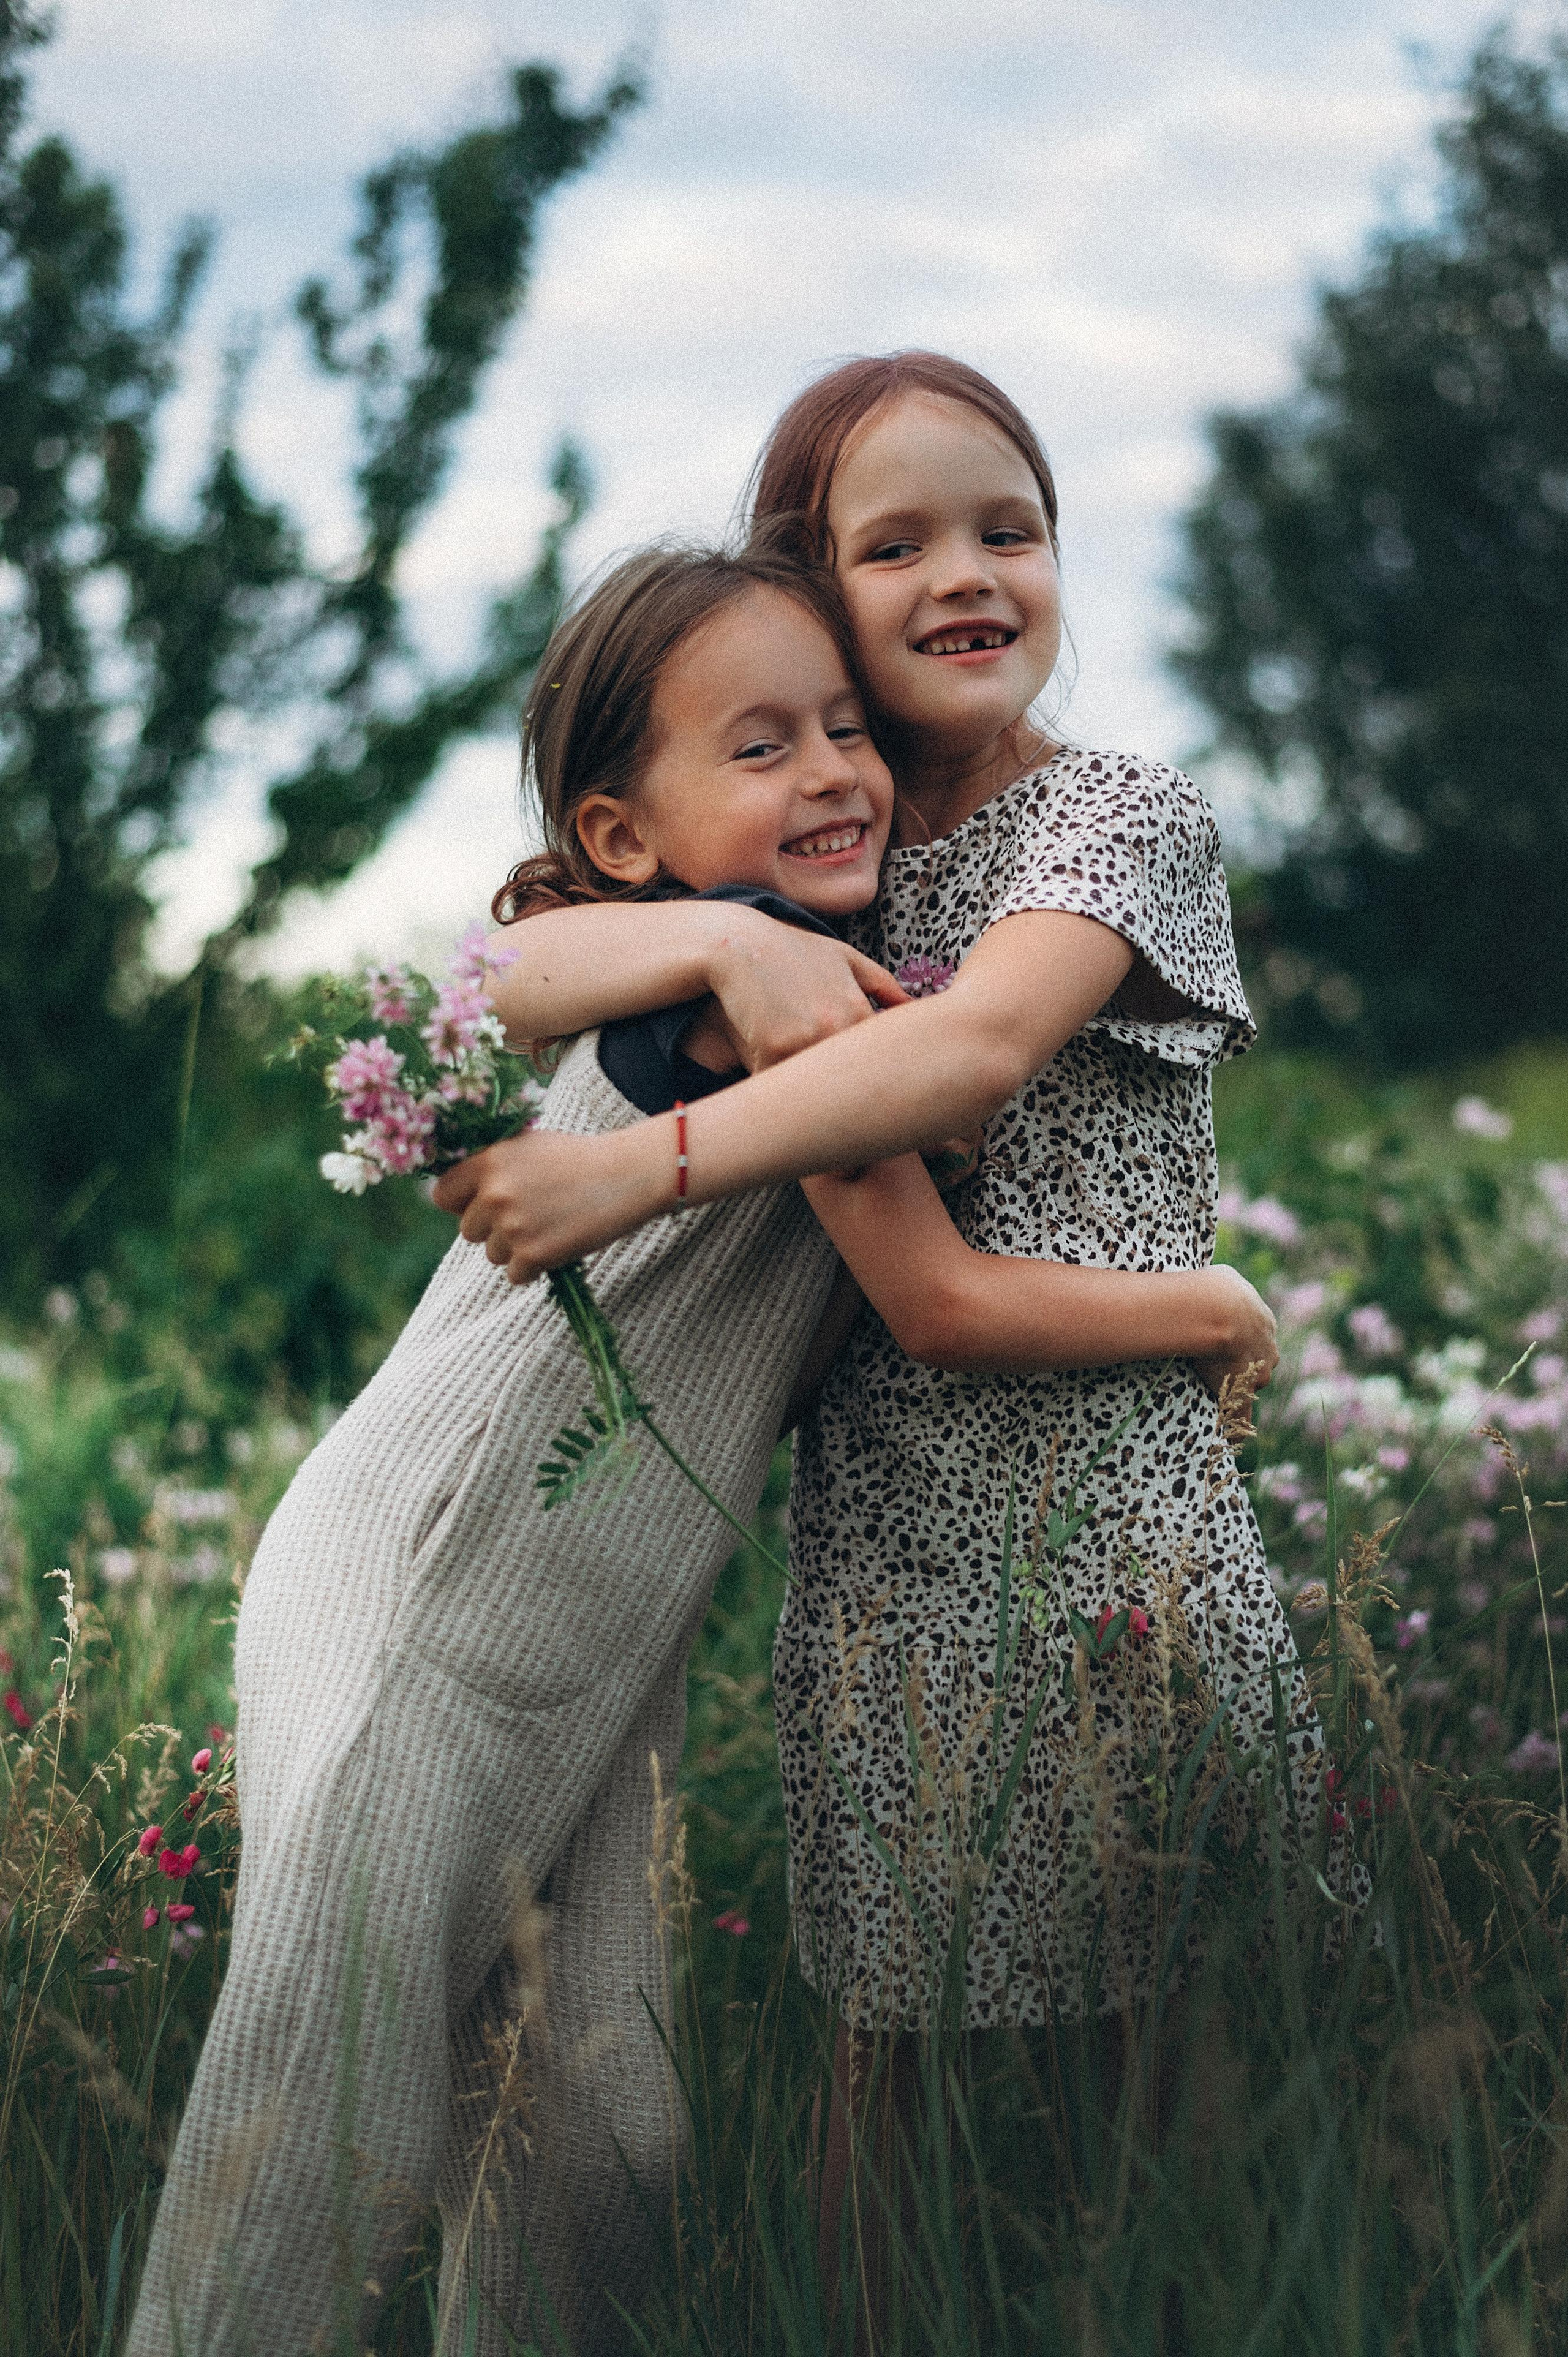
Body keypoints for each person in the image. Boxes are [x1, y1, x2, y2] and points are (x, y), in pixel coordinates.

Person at [127, 527, 1272, 2357]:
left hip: (593, 1634)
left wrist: (740, 923)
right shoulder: (756, 996)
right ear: (618, 834)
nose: (829, 772)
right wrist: (1217, 1308)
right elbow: (942, 1302)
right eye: (761, 747)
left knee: (604, 2150)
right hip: (432, 1578)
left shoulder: (807, 966)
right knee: (313, 2139)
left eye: (843, 728)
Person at [443, 352, 1321, 2303]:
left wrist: (632, 1163)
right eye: (897, 540)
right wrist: (731, 937)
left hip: (1119, 1516)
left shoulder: (1117, 817)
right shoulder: (811, 852)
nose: (967, 573)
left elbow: (976, 1053)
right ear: (809, 588)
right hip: (896, 1546)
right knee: (891, 2084)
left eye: (1010, 529)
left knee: (1172, 2070)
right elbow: (498, 963)